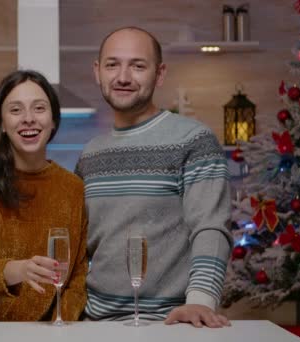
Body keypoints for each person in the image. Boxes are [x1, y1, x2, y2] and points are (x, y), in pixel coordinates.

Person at [75, 27, 233, 328]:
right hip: (93, 324)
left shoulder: (194, 140)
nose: (123, 77)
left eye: (137, 65)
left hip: (170, 325)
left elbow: (211, 227)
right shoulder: (90, 155)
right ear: (97, 72)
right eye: (112, 64)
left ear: (159, 74)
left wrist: (199, 301)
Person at [0, 70, 88, 321]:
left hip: (42, 333)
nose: (29, 119)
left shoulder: (73, 188)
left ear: (53, 120)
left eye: (39, 108)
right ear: (1, 124)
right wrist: (19, 269)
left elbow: (77, 278)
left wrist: (60, 326)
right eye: (16, 110)